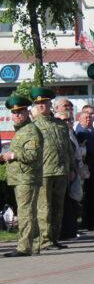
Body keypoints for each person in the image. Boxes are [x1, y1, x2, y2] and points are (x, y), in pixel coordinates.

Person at [30, 87, 75, 252]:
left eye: (45, 103)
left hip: (61, 170)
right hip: (43, 172)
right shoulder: (33, 126)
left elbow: (69, 149)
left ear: (50, 104)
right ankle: (45, 240)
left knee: (58, 206)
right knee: (44, 207)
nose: (42, 106)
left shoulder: (61, 125)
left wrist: (72, 168)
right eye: (38, 103)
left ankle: (55, 238)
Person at [2, 96, 44, 257]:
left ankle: (24, 247)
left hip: (26, 178)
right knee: (28, 211)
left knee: (26, 212)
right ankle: (34, 245)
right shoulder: (21, 131)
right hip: (21, 177)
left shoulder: (30, 130)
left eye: (20, 112)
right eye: (14, 113)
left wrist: (12, 155)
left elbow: (32, 155)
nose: (17, 115)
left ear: (27, 112)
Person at [56, 110, 84, 240]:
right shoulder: (59, 134)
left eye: (70, 120)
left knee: (73, 202)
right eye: (64, 120)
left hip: (73, 170)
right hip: (63, 172)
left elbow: (74, 153)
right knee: (66, 202)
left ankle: (72, 229)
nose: (68, 122)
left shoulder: (71, 133)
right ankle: (66, 231)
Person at [75, 108, 94, 230]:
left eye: (92, 115)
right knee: (90, 197)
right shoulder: (81, 132)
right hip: (88, 168)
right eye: (86, 116)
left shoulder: (93, 131)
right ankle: (90, 222)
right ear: (79, 118)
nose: (89, 117)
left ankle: (93, 221)